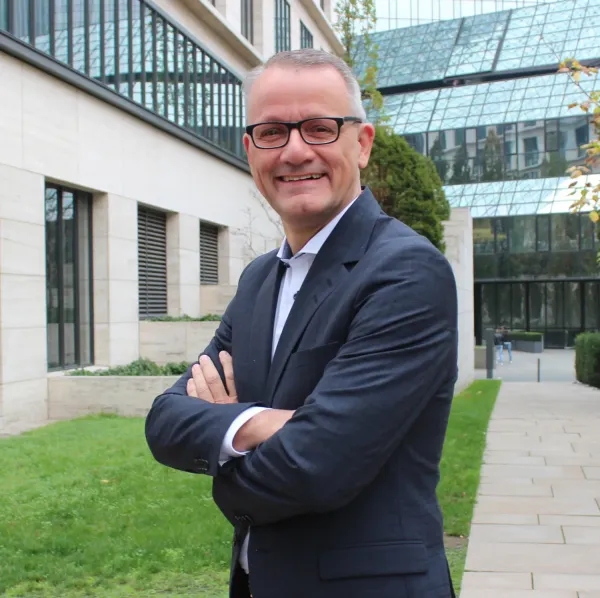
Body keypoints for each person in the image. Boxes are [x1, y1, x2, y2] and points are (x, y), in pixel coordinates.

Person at [145, 48, 458, 598]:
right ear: (250, 151)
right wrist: (267, 424)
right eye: (272, 132)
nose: (294, 151)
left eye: (319, 128)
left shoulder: (407, 272)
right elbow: (165, 421)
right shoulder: (258, 279)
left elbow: (317, 467)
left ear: (361, 144)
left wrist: (224, 458)